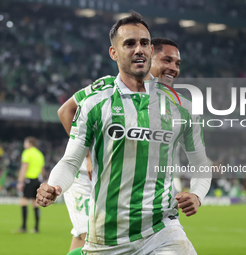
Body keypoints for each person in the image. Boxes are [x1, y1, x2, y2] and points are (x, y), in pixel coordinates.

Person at [37, 11, 211, 254]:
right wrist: (54, 186)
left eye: (145, 43)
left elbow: (201, 163)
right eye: (129, 43)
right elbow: (69, 160)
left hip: (162, 230)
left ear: (151, 51)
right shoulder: (95, 103)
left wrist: (197, 195)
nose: (139, 49)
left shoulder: (182, 108)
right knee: (80, 237)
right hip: (107, 236)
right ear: (114, 53)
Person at [55, 37, 182, 254]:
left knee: (91, 239)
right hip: (90, 175)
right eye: (165, 60)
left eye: (177, 64)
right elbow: (65, 110)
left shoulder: (166, 100)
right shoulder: (108, 87)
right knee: (91, 236)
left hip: (124, 179)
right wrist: (88, 156)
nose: (171, 68)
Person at [16, 137, 45, 233]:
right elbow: (42, 170)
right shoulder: (39, 154)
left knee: (23, 201)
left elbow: (24, 167)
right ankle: (36, 228)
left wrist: (20, 181)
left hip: (29, 179)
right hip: (37, 180)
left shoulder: (27, 153)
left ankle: (23, 227)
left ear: (29, 143)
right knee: (35, 203)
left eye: (25, 142)